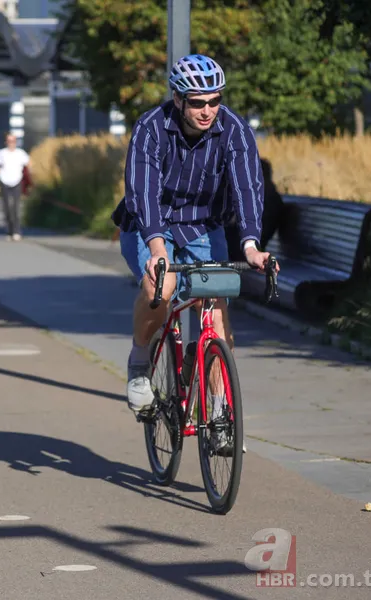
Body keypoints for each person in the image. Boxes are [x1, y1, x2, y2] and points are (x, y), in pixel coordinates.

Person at [111, 54, 278, 446]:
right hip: (149, 225)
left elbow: (247, 189)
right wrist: (157, 249)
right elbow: (143, 194)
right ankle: (140, 363)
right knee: (161, 288)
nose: (207, 110)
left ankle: (219, 411)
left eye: (215, 101)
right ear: (178, 98)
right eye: (198, 102)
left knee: (216, 311)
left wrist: (251, 246)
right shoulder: (151, 128)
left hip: (203, 226)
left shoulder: (234, 130)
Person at [0, 132, 30, 240]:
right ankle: (9, 230)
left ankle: (16, 230)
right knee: (7, 207)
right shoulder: (2, 153)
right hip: (4, 180)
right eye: (9, 141)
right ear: (6, 142)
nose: (11, 143)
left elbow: (29, 163)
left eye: (13, 141)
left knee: (16, 207)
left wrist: (27, 176)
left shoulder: (20, 153)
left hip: (17, 181)